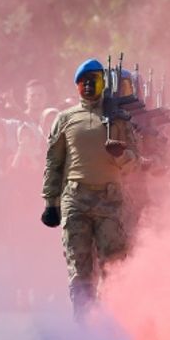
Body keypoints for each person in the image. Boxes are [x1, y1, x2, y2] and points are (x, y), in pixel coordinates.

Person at [40, 59, 138, 320]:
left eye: (93, 79)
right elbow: (54, 162)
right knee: (80, 266)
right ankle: (84, 325)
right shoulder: (66, 119)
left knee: (113, 265)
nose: (88, 86)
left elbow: (134, 164)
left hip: (110, 201)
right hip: (76, 200)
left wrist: (120, 155)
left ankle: (111, 322)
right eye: (83, 82)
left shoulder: (119, 120)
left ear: (103, 83)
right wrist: (51, 202)